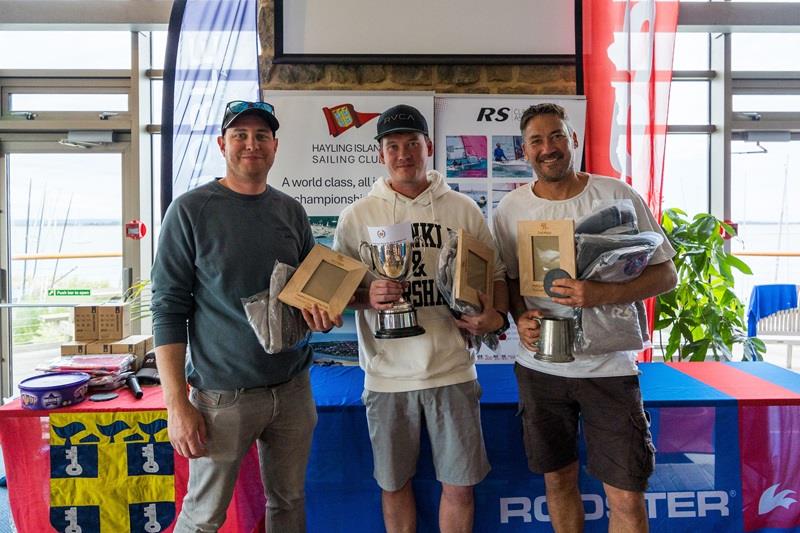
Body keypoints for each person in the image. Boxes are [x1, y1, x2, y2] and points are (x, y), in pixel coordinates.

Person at [151, 100, 341, 532]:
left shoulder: (290, 211)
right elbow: (167, 309)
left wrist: (324, 310)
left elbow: (312, 287)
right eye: (240, 135)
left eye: (261, 136)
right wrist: (177, 404)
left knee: (288, 502)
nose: (251, 144)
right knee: (203, 517)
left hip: (292, 390)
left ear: (275, 147)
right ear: (222, 144)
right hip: (222, 397)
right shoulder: (190, 211)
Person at [492, 103, 678, 533]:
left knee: (626, 494)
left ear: (573, 139)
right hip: (540, 369)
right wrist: (520, 318)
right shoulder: (511, 209)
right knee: (557, 481)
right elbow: (511, 282)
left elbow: (667, 273)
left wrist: (601, 293)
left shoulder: (617, 196)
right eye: (536, 140)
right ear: (524, 152)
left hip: (609, 368)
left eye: (556, 135)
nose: (548, 147)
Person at [333, 104, 510, 533]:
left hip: (452, 370)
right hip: (387, 376)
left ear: (428, 147)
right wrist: (367, 295)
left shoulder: (463, 208)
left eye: (412, 143)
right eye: (392, 146)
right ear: (380, 154)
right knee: (394, 486)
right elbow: (335, 296)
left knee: (461, 486)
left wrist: (496, 316)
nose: (403, 154)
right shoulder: (357, 216)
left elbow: (497, 274)